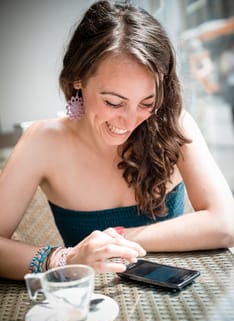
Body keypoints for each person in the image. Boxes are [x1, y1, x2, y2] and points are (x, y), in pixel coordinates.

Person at [0, 0, 233, 280]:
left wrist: (117, 239)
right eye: (114, 102)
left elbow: (226, 223)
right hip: (87, 305)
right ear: (78, 79)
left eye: (147, 102)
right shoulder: (43, 141)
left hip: (171, 297)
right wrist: (67, 258)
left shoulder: (174, 123)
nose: (129, 121)